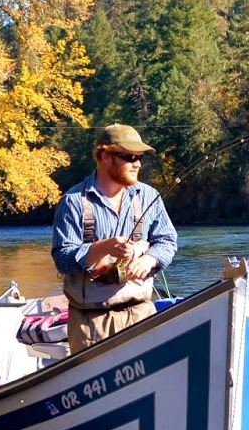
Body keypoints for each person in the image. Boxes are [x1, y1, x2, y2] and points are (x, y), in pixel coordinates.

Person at [50, 124, 178, 354]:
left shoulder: (149, 196)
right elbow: (63, 259)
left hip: (142, 316)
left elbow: (167, 241)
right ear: (105, 156)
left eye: (139, 157)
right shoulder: (72, 201)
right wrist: (103, 247)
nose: (137, 163)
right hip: (91, 325)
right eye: (128, 156)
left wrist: (149, 259)